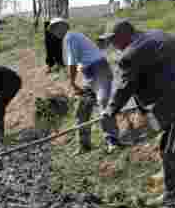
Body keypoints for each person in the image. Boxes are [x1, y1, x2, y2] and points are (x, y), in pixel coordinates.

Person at [101, 19, 175, 208]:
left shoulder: (131, 53)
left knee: (172, 146)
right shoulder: (154, 36)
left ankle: (173, 196)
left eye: (112, 39)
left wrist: (110, 111)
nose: (111, 44)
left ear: (124, 35)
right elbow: (152, 78)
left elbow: (126, 87)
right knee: (174, 138)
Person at [48, 18, 121, 154]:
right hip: (90, 75)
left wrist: (72, 82)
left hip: (100, 71)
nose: (54, 32)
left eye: (55, 28)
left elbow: (72, 63)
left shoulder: (70, 37)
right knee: (82, 108)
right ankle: (84, 145)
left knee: (104, 104)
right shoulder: (71, 38)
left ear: (63, 26)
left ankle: (113, 142)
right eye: (52, 30)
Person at [36, 0, 69, 73]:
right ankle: (50, 65)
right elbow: (40, 5)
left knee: (57, 41)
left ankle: (60, 63)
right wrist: (36, 18)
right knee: (48, 43)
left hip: (57, 18)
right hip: (46, 19)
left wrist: (64, 12)